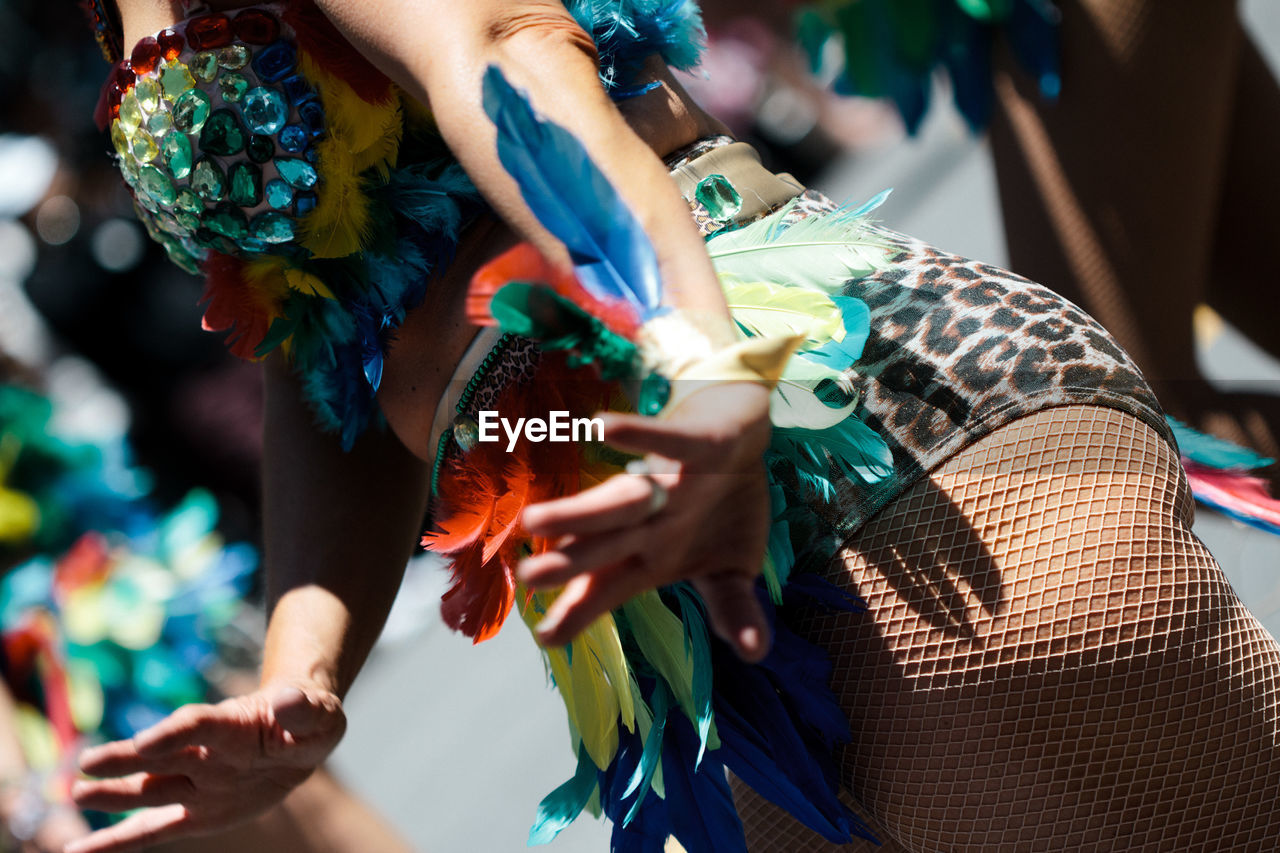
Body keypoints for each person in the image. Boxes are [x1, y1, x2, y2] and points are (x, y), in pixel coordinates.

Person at [68, 1, 1280, 851]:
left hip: (841, 431)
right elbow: (321, 343)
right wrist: (302, 668)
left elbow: (505, 52)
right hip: (689, 645)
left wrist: (706, 368)